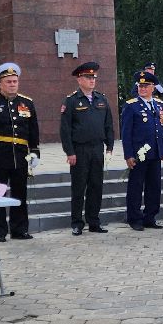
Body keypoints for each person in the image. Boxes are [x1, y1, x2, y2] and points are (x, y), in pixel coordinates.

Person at [0, 62, 40, 241]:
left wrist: (35, 151)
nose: (12, 84)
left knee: (20, 193)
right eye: (9, 82)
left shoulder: (27, 103)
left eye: (15, 81)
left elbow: (33, 130)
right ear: (0, 84)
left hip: (20, 156)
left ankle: (19, 229)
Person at [61, 61, 114, 235]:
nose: (92, 80)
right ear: (79, 79)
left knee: (96, 186)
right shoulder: (71, 101)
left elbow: (108, 125)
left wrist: (110, 146)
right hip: (80, 150)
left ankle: (94, 221)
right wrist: (70, 152)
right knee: (78, 188)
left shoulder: (101, 99)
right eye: (88, 77)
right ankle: (77, 222)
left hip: (97, 148)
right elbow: (65, 129)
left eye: (94, 77)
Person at [121, 71, 163, 230]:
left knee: (154, 186)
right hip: (138, 154)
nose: (142, 88)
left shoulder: (159, 104)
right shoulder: (131, 105)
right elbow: (126, 133)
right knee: (136, 187)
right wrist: (128, 155)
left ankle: (150, 217)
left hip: (155, 153)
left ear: (153, 87)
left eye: (146, 86)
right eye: (140, 86)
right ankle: (134, 218)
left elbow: (162, 127)